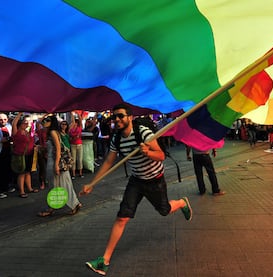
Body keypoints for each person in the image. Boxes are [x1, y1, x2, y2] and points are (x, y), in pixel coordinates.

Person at [80, 103, 192, 276]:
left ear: (129, 117)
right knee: (122, 217)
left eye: (121, 116)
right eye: (114, 116)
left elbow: (161, 156)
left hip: (155, 181)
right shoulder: (116, 138)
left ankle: (181, 202)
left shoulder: (143, 133)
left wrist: (148, 152)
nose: (117, 119)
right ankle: (104, 261)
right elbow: (109, 162)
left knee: (165, 210)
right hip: (136, 181)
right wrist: (92, 183)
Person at [37, 114, 82, 217]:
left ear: (51, 122)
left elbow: (58, 149)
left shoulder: (53, 132)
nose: (44, 122)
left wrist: (56, 165)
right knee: (63, 184)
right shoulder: (53, 132)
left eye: (47, 120)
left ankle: (53, 207)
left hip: (54, 162)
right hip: (54, 161)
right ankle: (73, 204)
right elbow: (39, 123)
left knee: (56, 185)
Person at [11, 112, 39, 198]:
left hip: (29, 154)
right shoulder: (17, 132)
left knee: (28, 172)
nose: (26, 124)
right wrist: (19, 113)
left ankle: (30, 188)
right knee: (22, 173)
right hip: (21, 155)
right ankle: (22, 191)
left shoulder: (27, 132)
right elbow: (14, 123)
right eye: (24, 123)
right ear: (20, 124)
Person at [0, 113, 14, 198]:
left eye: (5, 119)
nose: (3, 121)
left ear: (7, 120)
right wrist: (0, 140)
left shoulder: (9, 127)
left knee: (7, 171)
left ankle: (6, 187)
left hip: (8, 151)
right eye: (1, 119)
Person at [69, 112, 83, 178]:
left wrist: (77, 113)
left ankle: (80, 173)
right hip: (73, 145)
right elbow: (72, 119)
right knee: (73, 160)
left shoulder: (79, 128)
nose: (74, 123)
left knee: (80, 159)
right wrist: (72, 113)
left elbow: (80, 119)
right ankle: (73, 174)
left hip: (79, 144)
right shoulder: (70, 129)